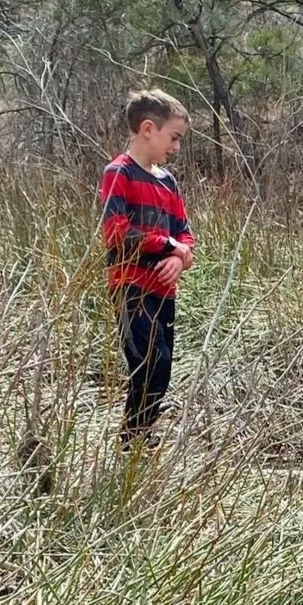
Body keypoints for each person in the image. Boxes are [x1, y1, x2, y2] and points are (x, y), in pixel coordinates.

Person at [99, 88, 195, 445]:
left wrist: (179, 257)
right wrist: (168, 246)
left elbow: (185, 235)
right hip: (130, 286)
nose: (176, 147)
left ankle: (140, 434)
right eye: (174, 137)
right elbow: (116, 232)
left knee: (163, 365)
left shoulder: (168, 182)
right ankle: (133, 438)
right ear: (148, 129)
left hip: (163, 291)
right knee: (148, 360)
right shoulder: (118, 173)